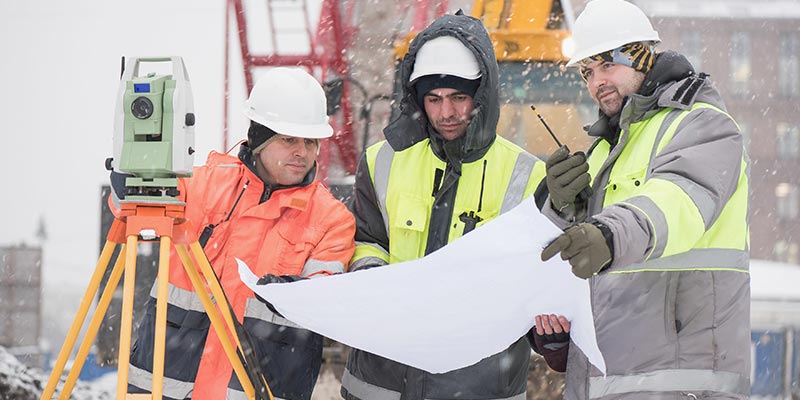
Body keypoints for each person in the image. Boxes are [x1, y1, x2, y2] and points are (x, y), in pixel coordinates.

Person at [337, 11, 568, 400]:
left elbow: (538, 284)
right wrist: (374, 279)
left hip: (479, 385)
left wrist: (554, 338)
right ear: (418, 99)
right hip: (381, 382)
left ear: (481, 95)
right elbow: (367, 239)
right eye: (434, 99)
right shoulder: (381, 161)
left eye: (459, 97)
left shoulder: (528, 176)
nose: (446, 113)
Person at [538, 0, 751, 398]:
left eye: (607, 65)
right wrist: (555, 207)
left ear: (641, 56)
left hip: (681, 385)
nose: (596, 81)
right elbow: (578, 261)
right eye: (587, 71)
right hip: (605, 385)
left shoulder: (704, 125)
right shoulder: (602, 151)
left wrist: (607, 234)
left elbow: (676, 201)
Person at [109, 67, 356, 400]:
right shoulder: (206, 184)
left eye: (310, 141)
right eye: (289, 139)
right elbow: (135, 205)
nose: (303, 151)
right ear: (258, 137)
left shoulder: (332, 219)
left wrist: (293, 294)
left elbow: (324, 297)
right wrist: (129, 180)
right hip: (168, 388)